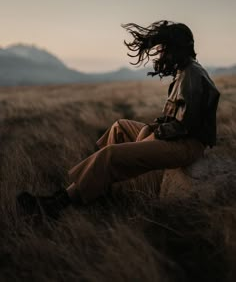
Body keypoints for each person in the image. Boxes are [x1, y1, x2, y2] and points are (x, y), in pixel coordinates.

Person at [17, 20, 220, 219]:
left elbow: (184, 126)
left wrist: (153, 133)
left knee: (111, 154)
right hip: (179, 139)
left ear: (177, 48)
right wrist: (153, 130)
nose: (160, 54)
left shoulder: (191, 75)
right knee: (119, 127)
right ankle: (99, 186)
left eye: (163, 49)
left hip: (186, 146)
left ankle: (58, 204)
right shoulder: (185, 70)